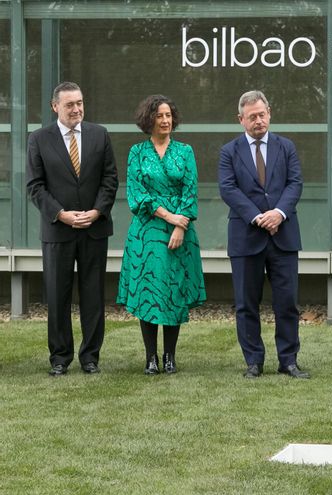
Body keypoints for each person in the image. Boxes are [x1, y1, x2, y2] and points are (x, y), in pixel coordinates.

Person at [26, 81, 118, 376]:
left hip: (94, 229)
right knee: (57, 296)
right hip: (58, 230)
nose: (76, 108)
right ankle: (60, 358)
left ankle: (90, 357)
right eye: (70, 105)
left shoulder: (99, 135)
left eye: (79, 102)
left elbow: (110, 179)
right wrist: (61, 215)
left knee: (93, 296)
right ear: (55, 107)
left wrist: (96, 212)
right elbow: (35, 186)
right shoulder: (38, 139)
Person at [219, 90, 309, 379]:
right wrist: (258, 217)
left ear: (269, 113)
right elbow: (228, 189)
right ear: (241, 119)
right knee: (246, 304)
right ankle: (253, 362)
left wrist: (278, 213)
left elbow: (294, 184)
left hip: (283, 235)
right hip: (246, 236)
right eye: (252, 116)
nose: (258, 120)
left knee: (287, 302)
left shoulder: (287, 147)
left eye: (262, 114)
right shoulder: (229, 152)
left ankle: (289, 361)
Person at [117, 95, 206, 375]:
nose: (165, 120)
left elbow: (190, 191)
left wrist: (180, 226)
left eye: (168, 115)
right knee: (148, 291)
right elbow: (136, 194)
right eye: (159, 116)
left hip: (181, 230)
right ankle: (150, 357)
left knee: (173, 290)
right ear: (149, 120)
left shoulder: (185, 151)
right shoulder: (136, 153)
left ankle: (169, 356)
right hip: (147, 230)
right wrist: (168, 216)